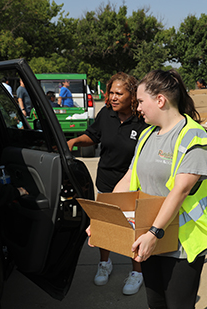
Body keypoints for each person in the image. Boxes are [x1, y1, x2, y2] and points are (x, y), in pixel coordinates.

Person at [110, 69, 207, 308]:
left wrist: (154, 233)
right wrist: (103, 217)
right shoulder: (147, 134)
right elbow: (130, 177)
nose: (137, 108)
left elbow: (179, 191)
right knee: (155, 303)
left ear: (160, 100)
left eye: (140, 101)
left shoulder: (194, 138)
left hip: (181, 242)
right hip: (149, 235)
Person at [67, 72, 148, 295]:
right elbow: (92, 136)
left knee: (134, 230)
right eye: (111, 92)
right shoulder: (105, 114)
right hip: (105, 181)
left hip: (132, 186)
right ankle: (105, 263)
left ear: (132, 96)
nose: (112, 97)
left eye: (118, 93)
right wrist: (74, 141)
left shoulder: (142, 120)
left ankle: (137, 271)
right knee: (105, 225)